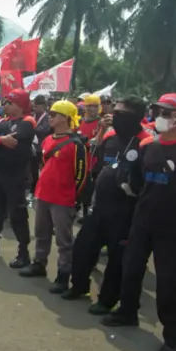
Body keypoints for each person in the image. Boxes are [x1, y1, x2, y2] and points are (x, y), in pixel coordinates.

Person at [103, 93, 176, 351]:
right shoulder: (148, 146)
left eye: (167, 112)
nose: (160, 117)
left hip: (174, 227)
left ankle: (173, 338)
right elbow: (140, 179)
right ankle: (127, 312)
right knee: (130, 268)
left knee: (170, 283)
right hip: (143, 220)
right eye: (158, 111)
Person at [62, 97, 152, 310]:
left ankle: (107, 300)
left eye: (121, 114)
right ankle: (79, 286)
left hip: (125, 212)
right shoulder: (110, 136)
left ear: (136, 117)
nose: (114, 117)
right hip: (100, 206)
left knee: (116, 259)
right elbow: (100, 164)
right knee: (83, 247)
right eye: (114, 112)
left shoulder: (147, 142)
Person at [22, 100, 88, 293]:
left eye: (54, 114)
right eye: (50, 113)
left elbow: (81, 175)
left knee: (64, 241)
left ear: (66, 118)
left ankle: (63, 274)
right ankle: (39, 264)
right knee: (41, 234)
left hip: (63, 200)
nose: (49, 116)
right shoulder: (48, 139)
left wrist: (73, 197)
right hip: (43, 196)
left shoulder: (77, 145)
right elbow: (43, 164)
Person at [0, 89, 36, 268]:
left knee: (17, 214)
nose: (6, 106)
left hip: (16, 175)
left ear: (20, 105)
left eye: (11, 102)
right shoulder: (2, 122)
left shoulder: (27, 122)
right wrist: (1, 141)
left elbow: (17, 140)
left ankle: (23, 253)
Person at [29, 94, 51, 200]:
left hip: (42, 147)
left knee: (42, 170)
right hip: (32, 147)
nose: (34, 108)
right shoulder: (32, 116)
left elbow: (44, 129)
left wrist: (31, 129)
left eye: (36, 106)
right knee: (33, 171)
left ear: (43, 106)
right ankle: (33, 189)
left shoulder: (47, 118)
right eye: (34, 106)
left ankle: (42, 190)